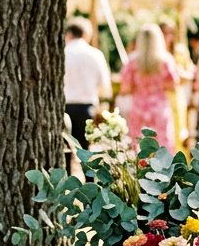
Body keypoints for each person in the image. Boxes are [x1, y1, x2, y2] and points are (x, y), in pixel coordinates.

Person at [119, 23, 179, 148]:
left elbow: (125, 88)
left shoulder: (132, 62)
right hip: (159, 109)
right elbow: (174, 85)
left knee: (140, 148)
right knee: (163, 147)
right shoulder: (166, 61)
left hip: (138, 109)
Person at [63, 17, 112, 164]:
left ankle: (66, 180)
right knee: (86, 149)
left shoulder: (62, 53)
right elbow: (105, 85)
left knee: (65, 148)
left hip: (64, 106)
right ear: (86, 34)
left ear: (69, 34)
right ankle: (89, 181)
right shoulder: (95, 54)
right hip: (86, 107)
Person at [160, 19, 194, 152]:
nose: (167, 36)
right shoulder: (155, 53)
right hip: (161, 98)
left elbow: (191, 73)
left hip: (177, 98)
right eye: (164, 32)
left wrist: (180, 74)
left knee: (179, 132)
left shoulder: (180, 51)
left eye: (170, 32)